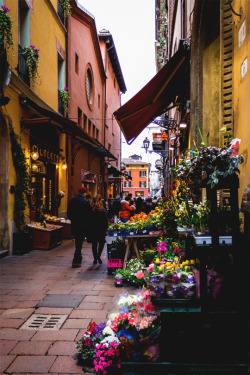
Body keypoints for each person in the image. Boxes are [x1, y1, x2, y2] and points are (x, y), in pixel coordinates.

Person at [67, 186, 90, 268]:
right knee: (79, 243)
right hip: (82, 225)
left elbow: (68, 214)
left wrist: (73, 220)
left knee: (78, 242)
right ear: (84, 193)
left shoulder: (72, 201)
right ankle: (76, 260)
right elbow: (88, 215)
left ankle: (78, 258)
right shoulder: (85, 202)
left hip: (74, 225)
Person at [88, 194, 109, 265]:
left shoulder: (90, 209)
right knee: (101, 243)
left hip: (92, 229)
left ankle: (95, 258)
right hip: (101, 229)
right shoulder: (102, 210)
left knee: (94, 244)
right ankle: (98, 255)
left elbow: (87, 220)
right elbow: (105, 221)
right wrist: (106, 229)